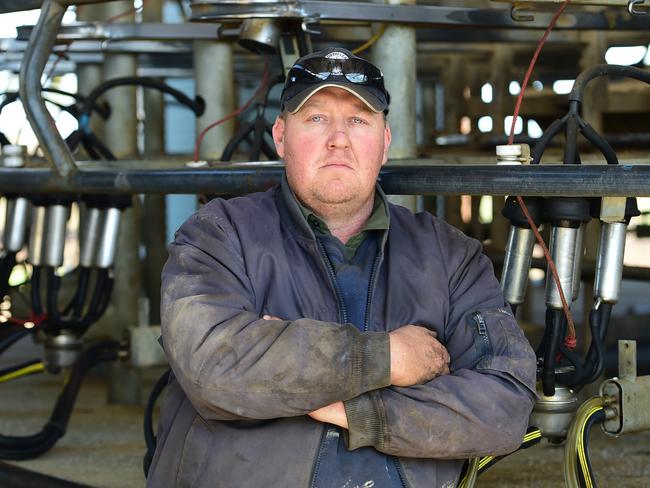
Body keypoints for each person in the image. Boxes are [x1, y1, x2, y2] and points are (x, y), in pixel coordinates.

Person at [147, 47, 537, 488]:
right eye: (315, 118)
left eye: (358, 119)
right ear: (280, 136)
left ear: (385, 141)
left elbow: (505, 405)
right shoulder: (217, 235)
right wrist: (389, 358)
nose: (338, 138)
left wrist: (357, 410)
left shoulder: (449, 255)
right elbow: (214, 368)